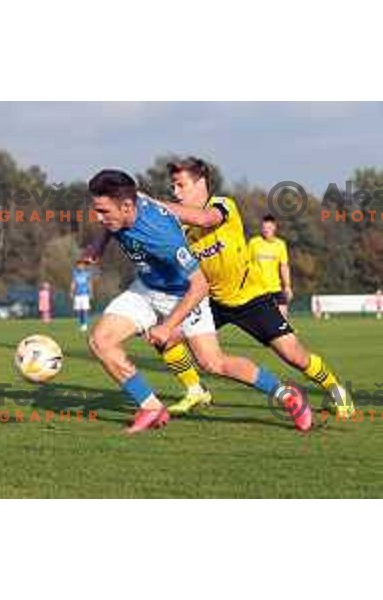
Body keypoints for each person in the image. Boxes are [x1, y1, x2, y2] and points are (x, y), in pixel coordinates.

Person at [87, 169, 311, 434]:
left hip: (184, 294)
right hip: (146, 289)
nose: (99, 219)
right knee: (101, 341)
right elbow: (113, 227)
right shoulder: (124, 209)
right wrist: (97, 248)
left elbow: (200, 285)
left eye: (103, 212)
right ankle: (150, 407)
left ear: (126, 206)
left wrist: (168, 326)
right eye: (97, 211)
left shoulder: (162, 235)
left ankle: (287, 396)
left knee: (213, 363)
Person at [161, 157, 354, 417]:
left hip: (251, 297)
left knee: (295, 356)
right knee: (164, 335)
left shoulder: (221, 205)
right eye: (173, 187)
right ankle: (195, 390)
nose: (175, 192)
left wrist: (154, 205)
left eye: (180, 185)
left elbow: (206, 219)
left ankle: (337, 391)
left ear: (201, 184)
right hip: (211, 300)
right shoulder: (180, 227)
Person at [249, 214, 293, 319]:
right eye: (264, 228)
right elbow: (246, 265)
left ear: (274, 227)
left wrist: (287, 286)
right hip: (258, 290)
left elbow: (284, 266)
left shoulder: (280, 244)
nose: (266, 230)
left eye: (268, 228)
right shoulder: (253, 243)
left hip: (275, 288)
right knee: (262, 322)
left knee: (283, 320)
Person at [71, 261, 93, 332]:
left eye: (81, 265)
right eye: (78, 265)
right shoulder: (75, 274)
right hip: (77, 295)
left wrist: (90, 292)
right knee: (79, 311)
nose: (80, 266)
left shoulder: (87, 274)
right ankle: (81, 324)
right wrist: (71, 292)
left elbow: (89, 283)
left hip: (85, 294)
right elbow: (73, 283)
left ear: (83, 266)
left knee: (85, 310)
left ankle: (85, 324)